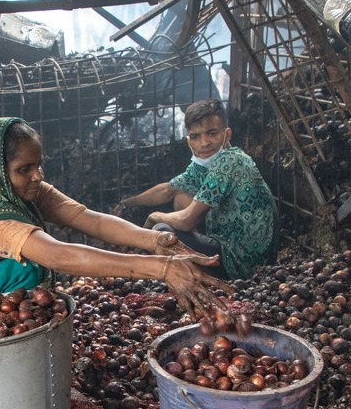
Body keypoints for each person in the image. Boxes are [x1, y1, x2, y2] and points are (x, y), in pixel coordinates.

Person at [0, 116, 229, 369]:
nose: (37, 176)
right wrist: (163, 270)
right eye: (24, 169)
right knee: (30, 266)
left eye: (39, 165)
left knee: (24, 269)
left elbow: (87, 218)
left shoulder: (18, 190)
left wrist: (157, 240)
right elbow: (61, 256)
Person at [116, 99, 277, 280]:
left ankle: (196, 275)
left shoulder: (230, 162)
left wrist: (155, 216)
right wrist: (126, 203)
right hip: (227, 242)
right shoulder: (204, 165)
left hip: (245, 262)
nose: (204, 143)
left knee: (162, 231)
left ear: (227, 134)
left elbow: (186, 221)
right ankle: (199, 262)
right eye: (196, 137)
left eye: (211, 133)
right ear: (188, 141)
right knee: (181, 198)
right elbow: (168, 190)